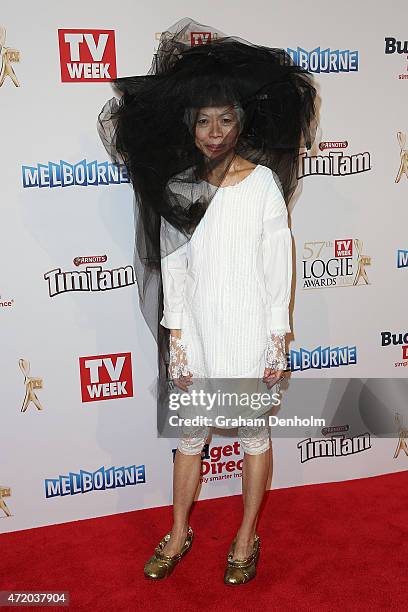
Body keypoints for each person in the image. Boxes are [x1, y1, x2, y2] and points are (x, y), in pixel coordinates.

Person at [97, 17, 317, 585]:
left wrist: (276, 337)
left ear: (239, 122)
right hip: (198, 333)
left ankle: (246, 535)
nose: (214, 131)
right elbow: (176, 271)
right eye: (203, 121)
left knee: (252, 437)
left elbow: (276, 266)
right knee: (191, 439)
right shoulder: (179, 188)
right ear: (190, 127)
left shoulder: (265, 184)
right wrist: (179, 342)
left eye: (225, 119)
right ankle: (178, 530)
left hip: (248, 336)